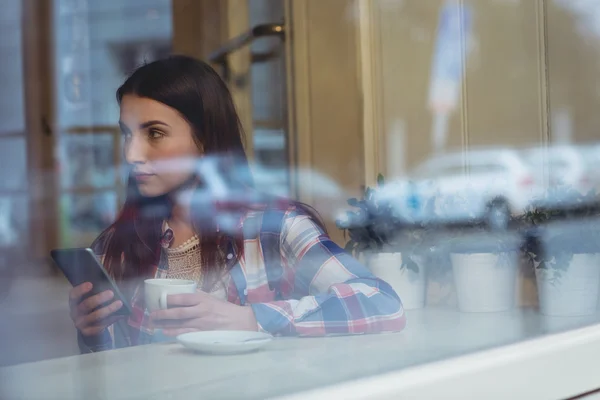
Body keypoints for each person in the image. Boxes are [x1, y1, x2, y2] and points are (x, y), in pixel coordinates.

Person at [68, 55, 406, 353]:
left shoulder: (274, 228)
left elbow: (382, 304)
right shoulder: (116, 246)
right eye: (127, 134)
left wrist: (248, 318)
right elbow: (116, 375)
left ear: (205, 139)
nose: (131, 154)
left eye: (154, 134)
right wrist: (92, 332)